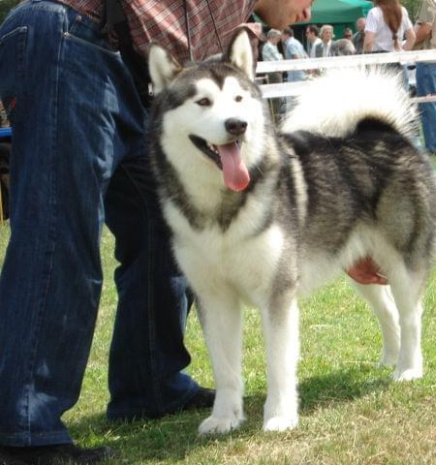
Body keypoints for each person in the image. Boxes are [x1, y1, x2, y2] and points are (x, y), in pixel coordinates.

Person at [0, 0, 313, 464]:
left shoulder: (241, 24)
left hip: (130, 69)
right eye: (306, 1)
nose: (307, 10)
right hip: (73, 39)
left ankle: (150, 385)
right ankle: (24, 430)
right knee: (58, 232)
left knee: (165, 230)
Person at [413, 0, 436, 155]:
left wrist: (407, 45)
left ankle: (435, 146)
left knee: (429, 104)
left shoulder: (428, 1)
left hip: (428, 57)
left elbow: (425, 29)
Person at [261, 29, 286, 121]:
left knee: (277, 96)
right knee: (276, 95)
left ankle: (276, 116)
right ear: (273, 37)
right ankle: (276, 117)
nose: (279, 40)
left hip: (274, 72)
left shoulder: (271, 46)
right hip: (274, 73)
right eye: (278, 38)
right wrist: (281, 56)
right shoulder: (269, 46)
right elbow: (278, 58)